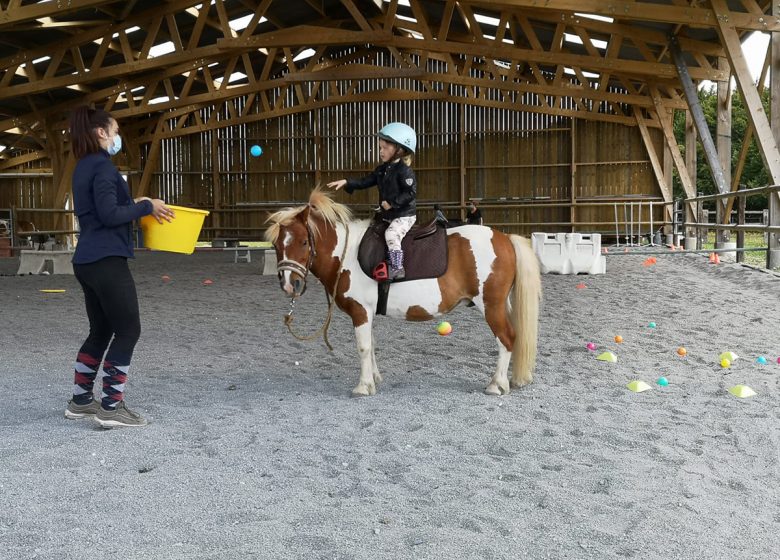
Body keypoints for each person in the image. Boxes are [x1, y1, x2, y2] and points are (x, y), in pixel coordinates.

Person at [64, 106, 174, 428]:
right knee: (128, 330)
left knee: (100, 330)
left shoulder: (83, 167)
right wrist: (146, 205)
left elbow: (103, 210)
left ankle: (81, 401)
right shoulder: (102, 167)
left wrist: (135, 203)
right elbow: (111, 215)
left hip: (85, 259)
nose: (116, 137)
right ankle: (111, 407)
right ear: (101, 133)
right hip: (106, 259)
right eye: (114, 131)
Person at [328, 122, 417, 280]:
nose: (381, 151)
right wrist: (347, 182)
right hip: (387, 215)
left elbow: (410, 193)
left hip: (403, 215)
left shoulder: (405, 171)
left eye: (385, 148)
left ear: (399, 150)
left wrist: (392, 203)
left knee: (391, 234)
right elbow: (365, 181)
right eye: (380, 148)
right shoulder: (382, 170)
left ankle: (398, 267)